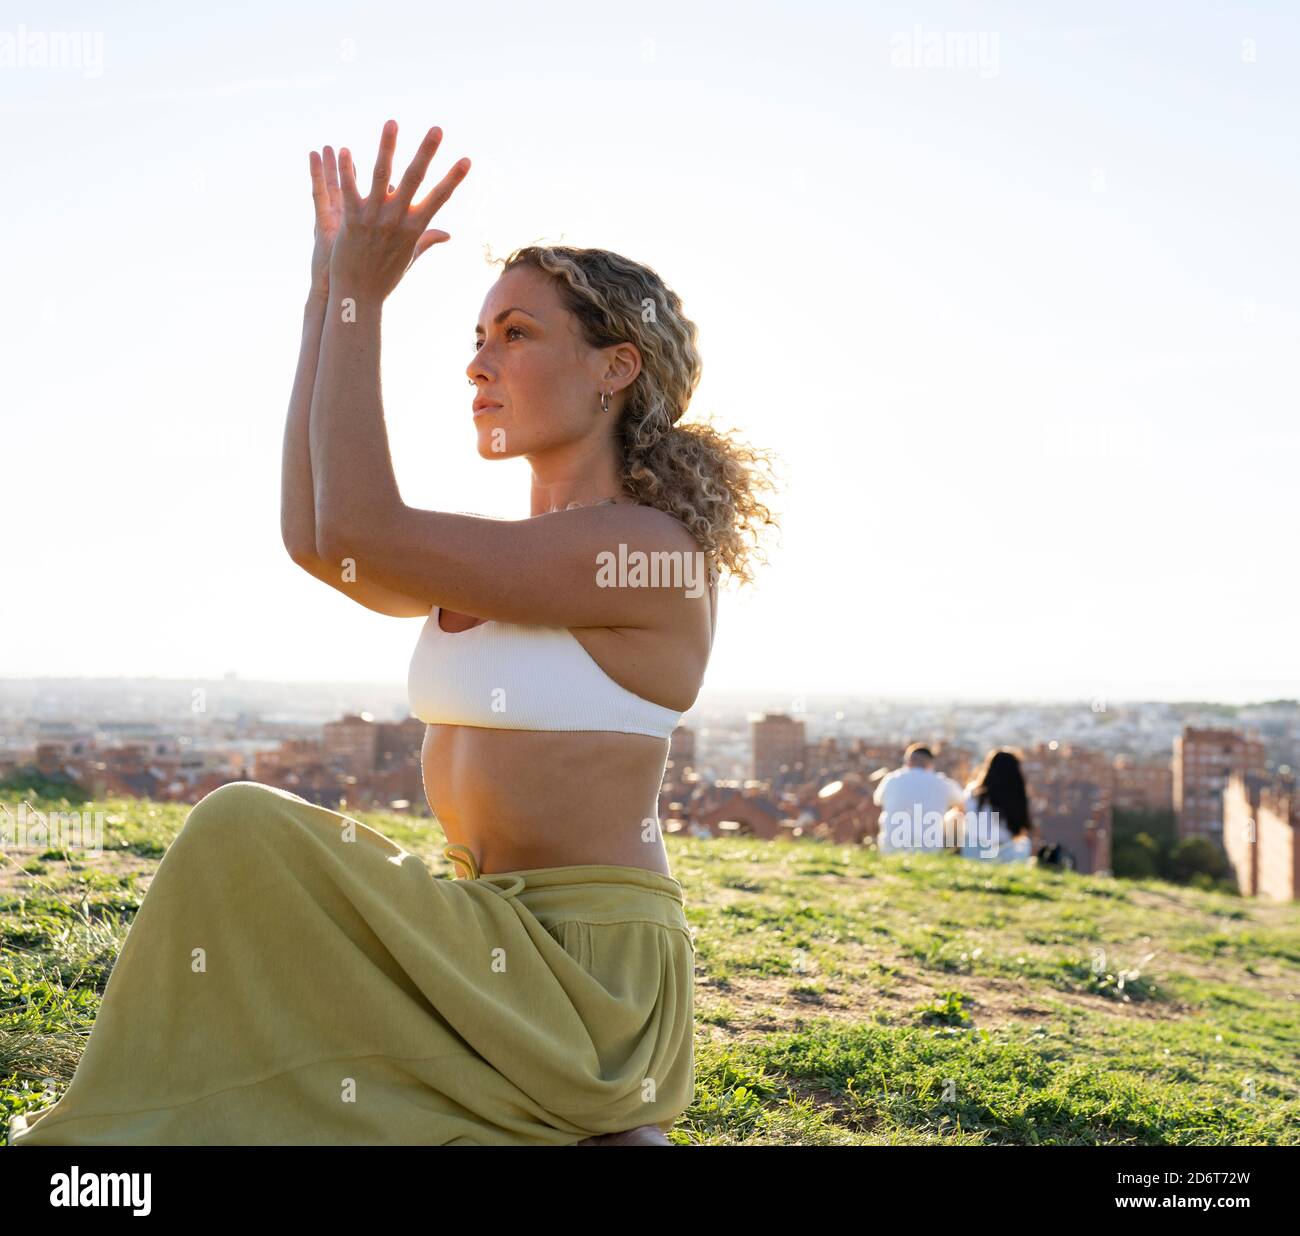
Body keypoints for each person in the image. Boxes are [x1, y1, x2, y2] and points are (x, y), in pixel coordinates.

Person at [8, 121, 779, 1148]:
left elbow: (361, 525)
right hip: (480, 937)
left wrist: (362, 300)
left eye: (515, 333)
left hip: (584, 977)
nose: (477, 363)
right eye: (474, 336)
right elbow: (321, 540)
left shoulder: (643, 550)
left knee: (242, 827)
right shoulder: (516, 552)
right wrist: (326, 296)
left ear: (614, 368)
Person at [871, 743, 965, 854]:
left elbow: (877, 801)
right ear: (930, 763)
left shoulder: (891, 779)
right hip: (930, 851)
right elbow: (964, 804)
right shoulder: (944, 783)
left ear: (908, 761)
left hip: (889, 850)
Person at [957, 748, 1034, 865]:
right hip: (1004, 855)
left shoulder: (973, 792)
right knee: (1025, 843)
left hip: (971, 852)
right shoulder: (1017, 798)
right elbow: (1020, 830)